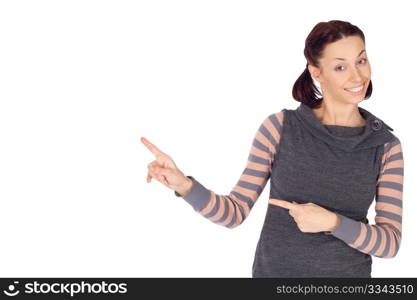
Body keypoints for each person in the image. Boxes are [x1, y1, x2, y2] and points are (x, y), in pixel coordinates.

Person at [141, 20, 404, 278]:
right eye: (340, 67)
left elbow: (390, 244)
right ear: (316, 72)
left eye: (361, 60)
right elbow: (233, 213)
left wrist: (332, 223)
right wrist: (184, 186)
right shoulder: (280, 128)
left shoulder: (384, 146)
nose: (357, 76)